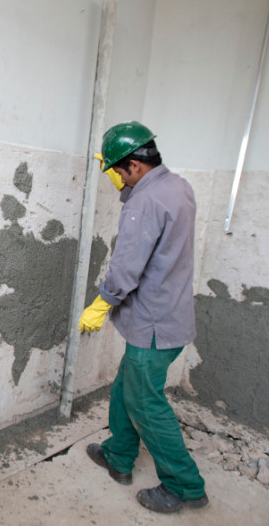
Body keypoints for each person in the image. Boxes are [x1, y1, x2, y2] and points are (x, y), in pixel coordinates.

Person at [78, 121, 208, 513]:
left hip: (152, 325)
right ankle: (119, 457)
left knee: (146, 404)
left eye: (119, 171)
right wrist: (129, 194)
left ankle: (185, 486)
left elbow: (126, 267)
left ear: (135, 165)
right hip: (171, 316)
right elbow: (158, 230)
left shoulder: (144, 203)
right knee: (126, 389)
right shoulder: (178, 187)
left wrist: (102, 303)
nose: (117, 178)